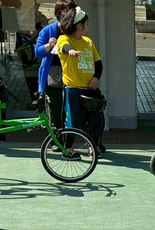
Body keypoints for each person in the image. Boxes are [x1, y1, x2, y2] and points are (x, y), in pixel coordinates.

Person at [57, 6, 104, 151]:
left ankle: (93, 147)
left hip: (91, 89)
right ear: (79, 26)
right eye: (87, 24)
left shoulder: (88, 42)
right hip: (73, 90)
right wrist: (71, 51)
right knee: (73, 120)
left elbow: (98, 63)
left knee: (96, 119)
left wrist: (96, 78)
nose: (88, 26)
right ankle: (68, 148)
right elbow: (65, 47)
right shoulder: (63, 39)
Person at [34, 0, 75, 131]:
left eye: (70, 11)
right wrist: (48, 46)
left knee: (72, 109)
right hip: (54, 72)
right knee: (56, 109)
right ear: (59, 13)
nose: (68, 14)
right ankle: (57, 136)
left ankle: (70, 136)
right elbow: (38, 52)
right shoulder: (49, 30)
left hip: (72, 72)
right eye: (65, 11)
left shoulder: (75, 29)